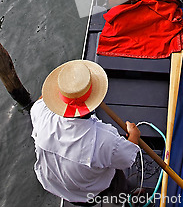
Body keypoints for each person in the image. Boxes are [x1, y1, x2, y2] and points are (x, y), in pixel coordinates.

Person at [30, 60, 140, 206]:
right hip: (91, 193)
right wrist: (134, 135)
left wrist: (55, 98)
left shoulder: (39, 111)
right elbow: (127, 159)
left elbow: (41, 101)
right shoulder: (105, 139)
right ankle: (126, 195)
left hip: (53, 183)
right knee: (117, 182)